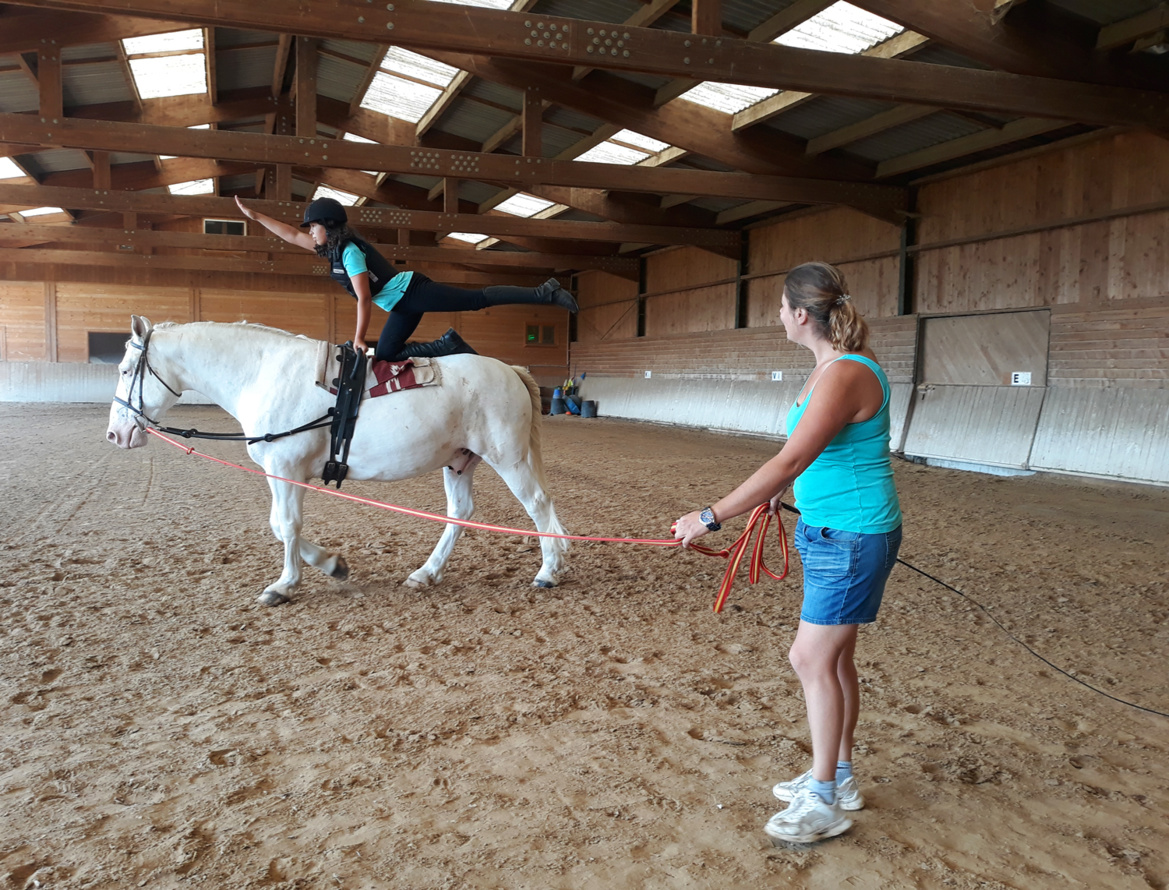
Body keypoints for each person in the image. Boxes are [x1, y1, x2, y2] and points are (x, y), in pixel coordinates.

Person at [673, 261, 902, 846]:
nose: (778, 316)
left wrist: (709, 516)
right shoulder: (826, 371)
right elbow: (807, 454)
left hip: (851, 537)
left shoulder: (846, 373)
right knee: (833, 659)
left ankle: (823, 797)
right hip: (830, 532)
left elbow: (790, 460)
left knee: (810, 659)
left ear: (801, 315)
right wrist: (777, 495)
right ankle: (839, 777)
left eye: (780, 307)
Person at [235, 195, 578, 361]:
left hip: (411, 293)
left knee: (475, 300)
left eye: (313, 226)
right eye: (309, 228)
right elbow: (291, 236)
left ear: (329, 226)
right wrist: (254, 216)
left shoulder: (350, 252)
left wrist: (358, 338)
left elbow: (365, 298)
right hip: (399, 305)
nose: (309, 232)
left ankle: (545, 292)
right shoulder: (331, 251)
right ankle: (447, 346)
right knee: (386, 354)